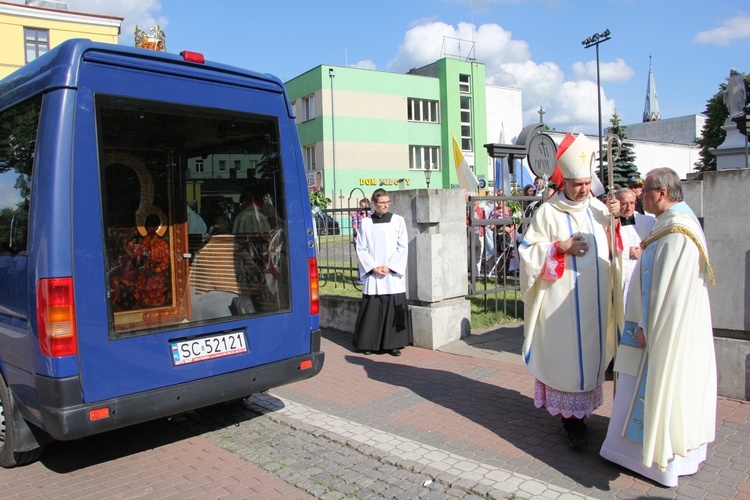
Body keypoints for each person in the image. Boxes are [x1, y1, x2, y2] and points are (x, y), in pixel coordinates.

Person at [601, 167, 717, 487]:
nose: (640, 198)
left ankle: (657, 462)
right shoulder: (668, 224)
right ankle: (624, 450)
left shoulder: (678, 232)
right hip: (649, 326)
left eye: (646, 192)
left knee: (659, 390)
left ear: (662, 194)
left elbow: (671, 290)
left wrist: (648, 328)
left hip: (662, 333)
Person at [518, 133, 620, 448]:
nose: (584, 189)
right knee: (567, 361)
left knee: (589, 363)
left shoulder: (601, 208)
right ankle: (571, 422)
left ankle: (583, 414)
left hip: (595, 305)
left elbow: (616, 246)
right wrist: (560, 247)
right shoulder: (549, 212)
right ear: (566, 182)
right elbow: (527, 251)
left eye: (588, 183)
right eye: (578, 183)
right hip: (561, 304)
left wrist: (615, 221)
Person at [352, 188, 412, 357]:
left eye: (387, 202)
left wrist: (390, 266)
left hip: (391, 273)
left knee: (394, 307)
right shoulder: (365, 223)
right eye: (382, 203)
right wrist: (372, 267)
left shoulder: (398, 221)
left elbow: (403, 246)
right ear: (373, 204)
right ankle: (369, 343)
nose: (385, 205)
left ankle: (394, 344)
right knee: (373, 309)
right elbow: (361, 247)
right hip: (374, 272)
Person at [615, 188, 654, 300]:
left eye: (632, 203)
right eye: (624, 204)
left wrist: (642, 250)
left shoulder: (649, 221)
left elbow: (656, 244)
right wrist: (625, 251)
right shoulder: (611, 223)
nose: (629, 207)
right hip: (621, 273)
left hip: (642, 271)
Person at [134, 213, 171, 308]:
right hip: (145, 272)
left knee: (151, 283)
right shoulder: (144, 242)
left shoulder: (162, 244)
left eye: (151, 225)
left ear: (156, 227)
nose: (148, 228)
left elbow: (166, 263)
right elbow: (138, 259)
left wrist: (155, 270)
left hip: (158, 274)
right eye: (147, 225)